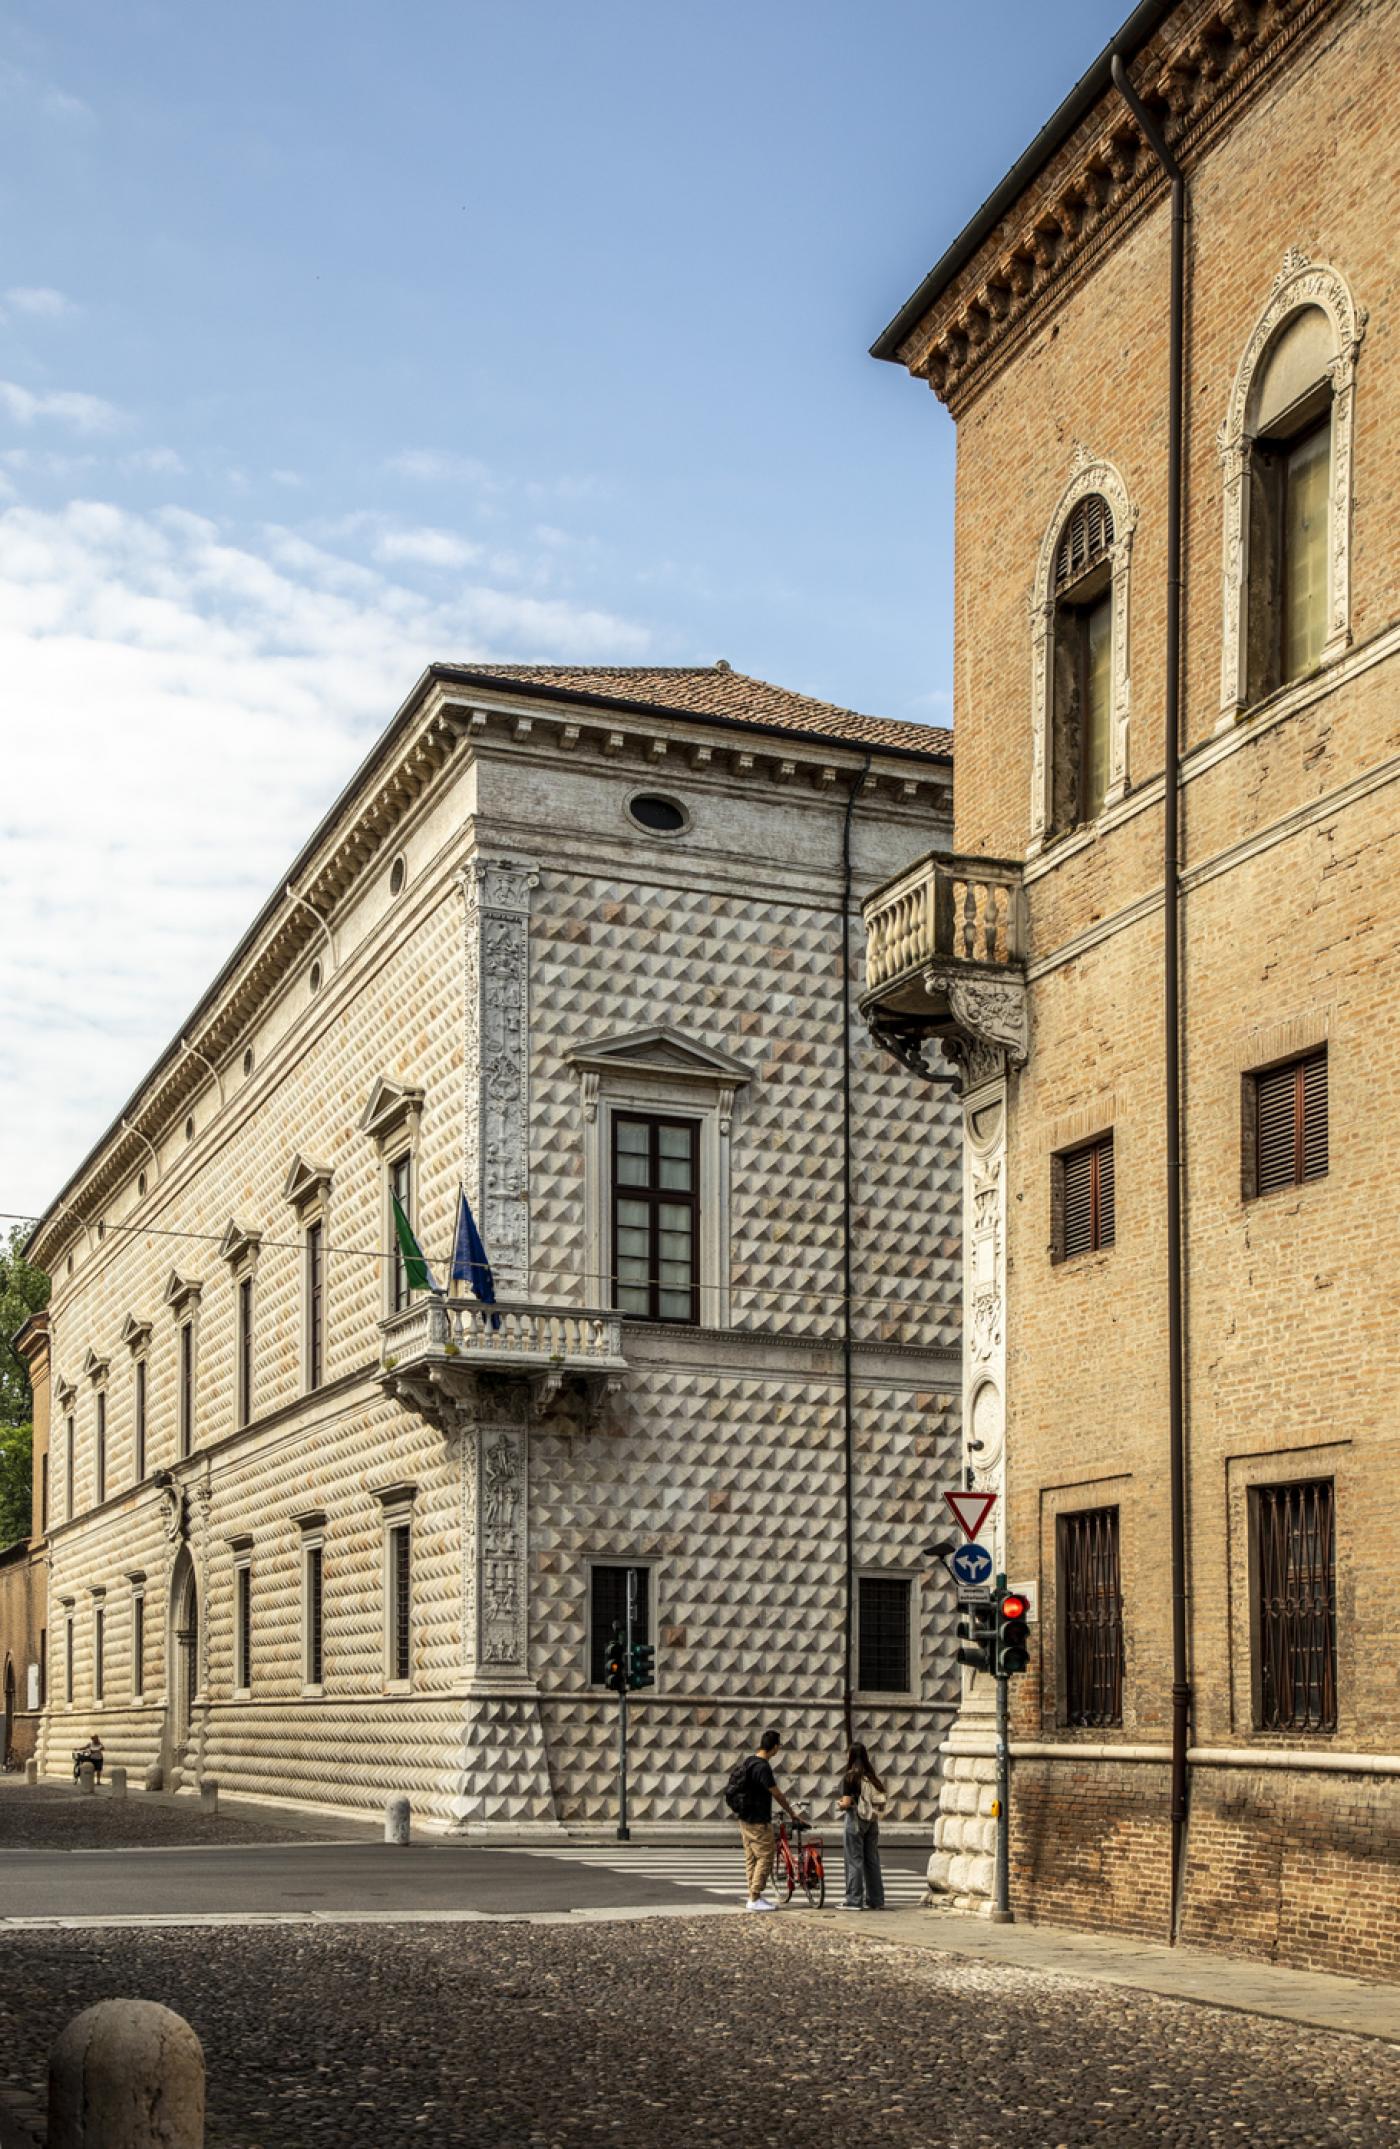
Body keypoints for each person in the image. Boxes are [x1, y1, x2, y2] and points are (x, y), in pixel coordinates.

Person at [729, 1729, 804, 1912]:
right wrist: (792, 1812)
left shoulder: (749, 1761)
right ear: (775, 1747)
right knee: (766, 1856)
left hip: (744, 1818)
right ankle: (755, 1897)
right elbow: (777, 1793)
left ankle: (753, 1896)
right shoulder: (763, 1767)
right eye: (779, 1746)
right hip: (758, 1820)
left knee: (752, 1858)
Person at [837, 1740, 886, 1910]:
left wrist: (840, 1804)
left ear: (851, 1756)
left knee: (854, 1861)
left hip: (855, 1821)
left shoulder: (850, 1777)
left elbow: (846, 1802)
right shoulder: (872, 1777)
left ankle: (854, 1900)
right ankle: (876, 1899)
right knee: (872, 1860)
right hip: (872, 1822)